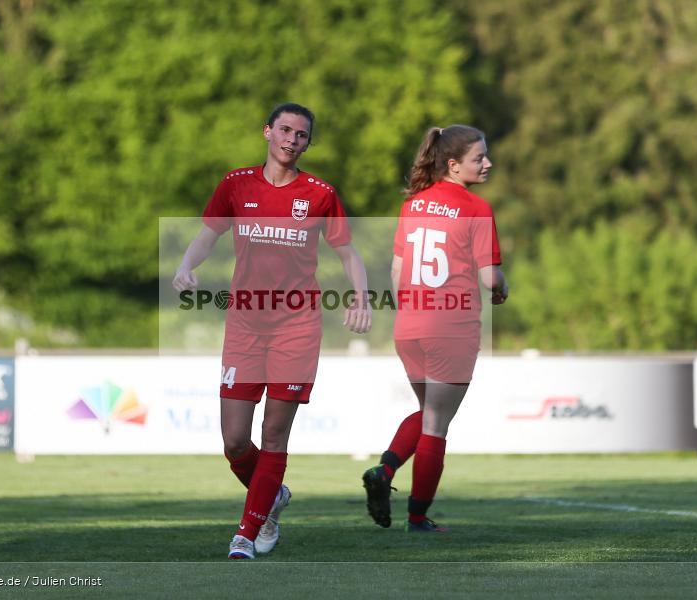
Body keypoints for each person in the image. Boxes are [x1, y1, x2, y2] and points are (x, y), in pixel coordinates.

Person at [173, 102, 372, 559]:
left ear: (308, 143)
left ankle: (245, 534)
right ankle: (272, 497)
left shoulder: (320, 194)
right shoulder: (236, 184)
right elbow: (208, 234)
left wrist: (361, 298)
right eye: (284, 130)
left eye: (301, 135)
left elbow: (348, 252)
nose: (291, 140)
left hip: (297, 328)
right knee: (235, 441)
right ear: (267, 132)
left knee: (275, 435)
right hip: (245, 324)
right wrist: (186, 264)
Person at [362, 125, 508, 532]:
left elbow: (397, 272)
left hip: (410, 326)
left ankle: (384, 471)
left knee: (429, 412)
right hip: (452, 327)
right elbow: (489, 278)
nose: (487, 163)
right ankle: (416, 516)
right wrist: (503, 285)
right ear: (453, 164)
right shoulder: (476, 208)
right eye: (479, 158)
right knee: (436, 425)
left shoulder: (413, 205)